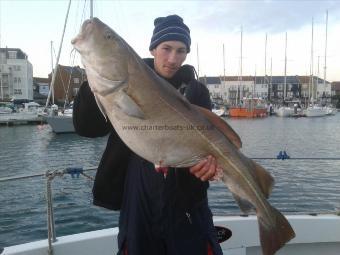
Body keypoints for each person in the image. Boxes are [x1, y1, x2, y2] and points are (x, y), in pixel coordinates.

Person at [73, 14, 223, 255]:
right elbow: (87, 128)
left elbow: (210, 144)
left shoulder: (197, 92)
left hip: (185, 200)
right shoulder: (122, 78)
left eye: (181, 50)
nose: (173, 58)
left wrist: (210, 168)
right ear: (153, 48)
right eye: (166, 48)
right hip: (137, 195)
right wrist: (96, 73)